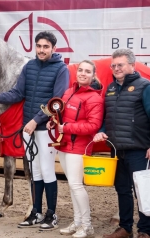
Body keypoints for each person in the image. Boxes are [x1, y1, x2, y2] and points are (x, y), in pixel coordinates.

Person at [0, 31, 69, 230]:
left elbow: (56, 102)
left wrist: (35, 121)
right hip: (28, 128)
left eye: (46, 47)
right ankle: (36, 212)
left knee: (46, 171)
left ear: (54, 48)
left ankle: (51, 215)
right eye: (39, 46)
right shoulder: (29, 67)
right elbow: (17, 93)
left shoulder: (61, 69)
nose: (42, 50)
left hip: (45, 128)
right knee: (35, 171)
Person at [93, 49, 150, 238]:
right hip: (117, 150)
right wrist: (101, 131)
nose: (116, 68)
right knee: (122, 190)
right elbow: (107, 118)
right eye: (114, 65)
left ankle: (145, 230)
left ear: (132, 66)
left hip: (139, 150)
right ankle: (125, 228)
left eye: (120, 65)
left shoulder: (144, 86)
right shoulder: (110, 88)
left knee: (142, 191)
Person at [46, 60, 104, 238]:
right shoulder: (69, 92)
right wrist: (53, 122)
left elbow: (93, 126)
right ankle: (77, 221)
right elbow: (61, 114)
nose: (83, 74)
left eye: (87, 71)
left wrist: (67, 128)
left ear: (93, 75)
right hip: (64, 145)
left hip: (79, 147)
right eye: (80, 70)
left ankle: (87, 226)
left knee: (76, 185)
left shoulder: (95, 98)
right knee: (72, 186)